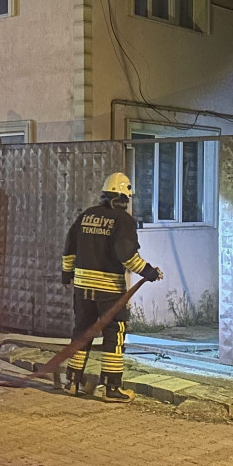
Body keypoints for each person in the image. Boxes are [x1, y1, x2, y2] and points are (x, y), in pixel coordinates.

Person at [60, 172, 162, 402]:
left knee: (82, 331)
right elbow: (126, 255)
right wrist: (149, 272)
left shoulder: (86, 216)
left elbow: (69, 247)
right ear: (124, 198)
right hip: (108, 288)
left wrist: (67, 274)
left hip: (82, 287)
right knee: (114, 333)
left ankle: (72, 382)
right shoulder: (123, 221)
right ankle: (111, 388)